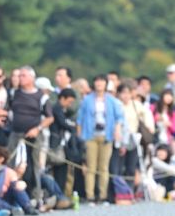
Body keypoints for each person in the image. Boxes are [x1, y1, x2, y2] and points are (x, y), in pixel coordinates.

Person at [7, 66, 54, 200]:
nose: (19, 78)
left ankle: (35, 196)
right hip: (15, 133)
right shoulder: (14, 93)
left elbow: (50, 118)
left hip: (33, 135)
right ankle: (11, 195)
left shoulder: (41, 96)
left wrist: (37, 129)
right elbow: (8, 110)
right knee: (11, 163)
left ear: (32, 78)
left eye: (23, 76)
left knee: (34, 166)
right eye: (19, 75)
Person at [77, 74, 123, 205]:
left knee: (103, 167)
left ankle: (103, 195)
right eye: (97, 81)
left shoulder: (111, 100)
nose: (99, 84)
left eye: (102, 82)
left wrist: (117, 130)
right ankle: (90, 195)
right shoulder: (87, 100)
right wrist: (80, 135)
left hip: (106, 135)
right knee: (91, 167)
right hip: (90, 135)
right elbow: (80, 119)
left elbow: (119, 117)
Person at [0, 146, 38, 215]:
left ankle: (28, 207)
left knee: (16, 186)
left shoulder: (8, 171)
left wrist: (21, 184)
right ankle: (12, 209)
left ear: (1, 159)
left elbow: (16, 183)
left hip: (6, 196)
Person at [49, 88, 78, 197]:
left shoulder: (63, 109)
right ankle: (58, 194)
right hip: (55, 143)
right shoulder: (56, 108)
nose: (70, 104)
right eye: (69, 102)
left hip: (60, 143)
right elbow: (62, 123)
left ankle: (60, 194)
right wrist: (72, 127)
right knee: (59, 169)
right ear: (62, 98)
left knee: (63, 170)